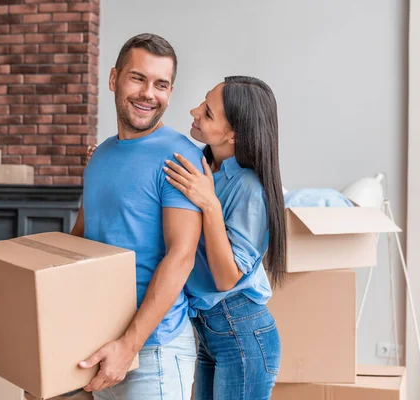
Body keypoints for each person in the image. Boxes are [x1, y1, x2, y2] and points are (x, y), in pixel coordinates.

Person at [70, 33, 203, 400]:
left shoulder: (179, 157)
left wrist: (128, 345)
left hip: (152, 350)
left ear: (170, 92)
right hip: (98, 343)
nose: (149, 93)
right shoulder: (100, 156)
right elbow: (81, 241)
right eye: (137, 78)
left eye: (161, 84)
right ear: (114, 79)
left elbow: (181, 257)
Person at [162, 76, 286, 400]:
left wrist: (210, 204)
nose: (193, 111)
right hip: (210, 331)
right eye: (202, 103)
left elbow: (226, 278)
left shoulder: (249, 190)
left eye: (207, 112)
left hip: (241, 332)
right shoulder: (202, 170)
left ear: (233, 134)